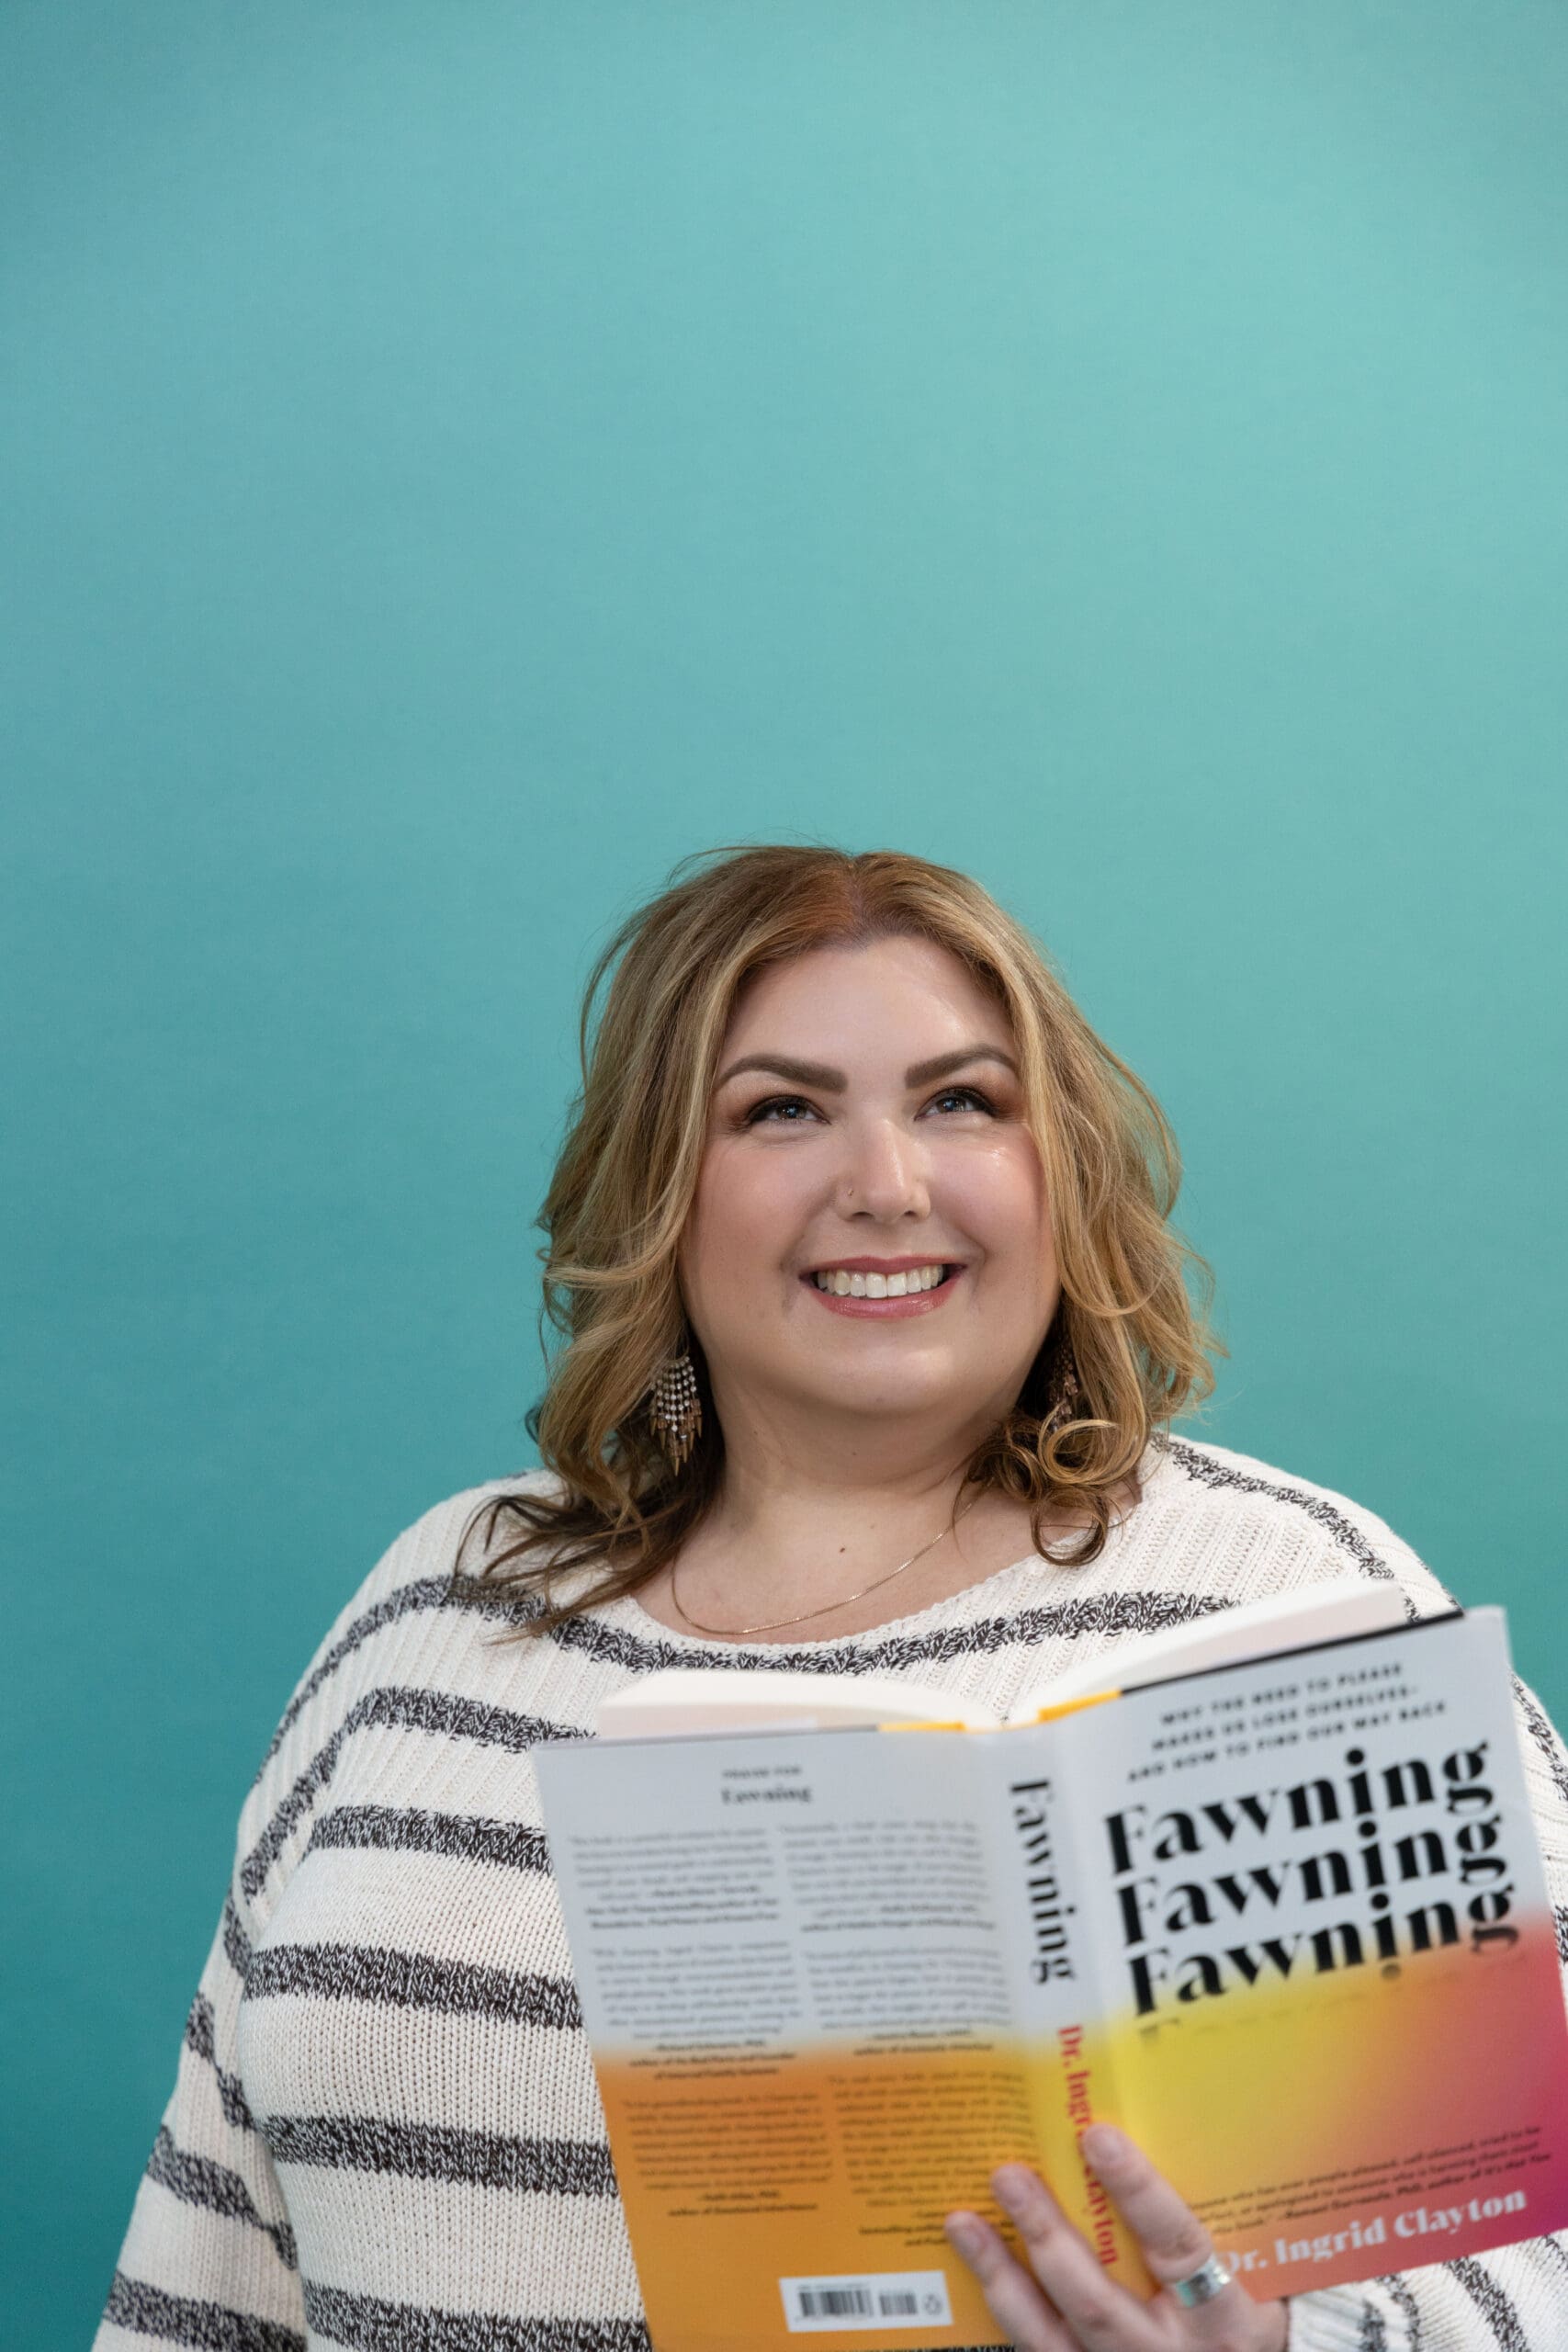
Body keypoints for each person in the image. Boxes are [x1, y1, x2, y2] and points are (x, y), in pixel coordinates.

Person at [96, 843, 1568, 2352]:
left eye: (963, 1102)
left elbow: (1524, 2270)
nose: (886, 1184)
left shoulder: (1287, 1604)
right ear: (659, 1190)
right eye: (781, 1110)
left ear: (1059, 1167)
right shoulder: (441, 1601)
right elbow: (209, 2257)